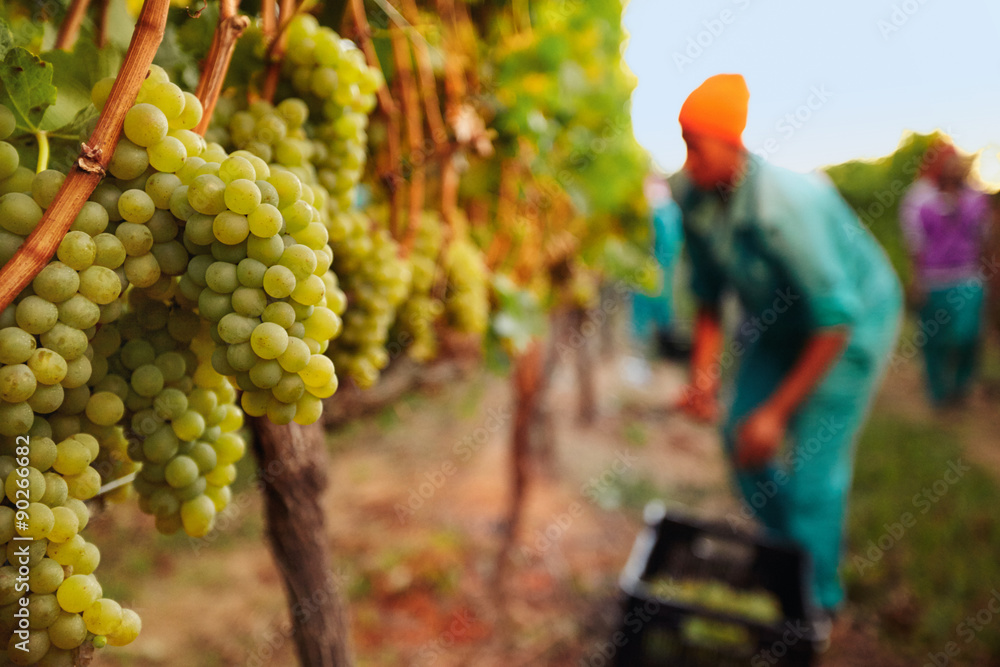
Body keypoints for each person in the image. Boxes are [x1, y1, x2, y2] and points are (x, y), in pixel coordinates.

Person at [669, 74, 902, 638]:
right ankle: (791, 549)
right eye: (683, 144)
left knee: (814, 471)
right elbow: (706, 297)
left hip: (847, 326)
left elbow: (835, 317)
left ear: (734, 145)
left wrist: (778, 413)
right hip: (777, 321)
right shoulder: (692, 197)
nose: (688, 160)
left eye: (696, 146)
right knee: (739, 438)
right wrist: (703, 377)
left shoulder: (789, 205)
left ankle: (815, 603)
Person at [901, 143, 991, 407]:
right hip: (934, 281)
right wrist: (916, 281)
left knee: (968, 336)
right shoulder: (919, 199)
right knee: (935, 341)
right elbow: (914, 244)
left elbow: (985, 238)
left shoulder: (976, 198)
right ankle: (938, 394)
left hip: (968, 278)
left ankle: (960, 388)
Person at [631, 174, 686, 360]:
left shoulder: (662, 211)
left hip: (655, 272)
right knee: (646, 316)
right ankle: (644, 359)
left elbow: (671, 244)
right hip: (653, 272)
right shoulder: (667, 210)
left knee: (652, 316)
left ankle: (649, 358)